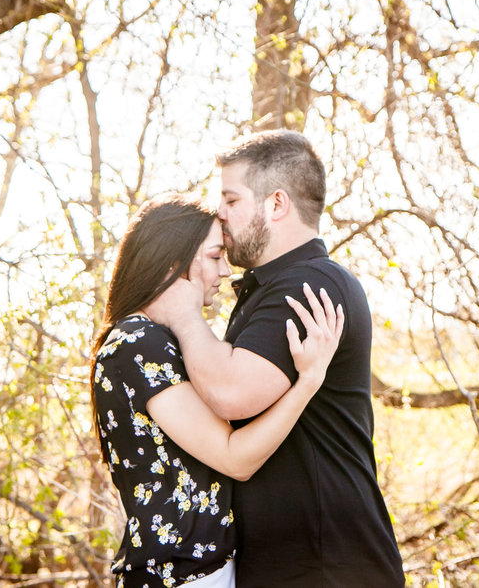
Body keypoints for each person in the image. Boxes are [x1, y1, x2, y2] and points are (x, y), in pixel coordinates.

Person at [146, 131, 405, 586]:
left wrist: (185, 317)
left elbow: (230, 393)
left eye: (230, 199)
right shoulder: (275, 288)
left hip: (326, 566)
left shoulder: (310, 285)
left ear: (277, 204)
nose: (219, 215)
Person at [91, 194, 345, 588]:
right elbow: (235, 458)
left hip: (199, 571)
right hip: (180, 576)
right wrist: (308, 381)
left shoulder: (162, 341)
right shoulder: (139, 343)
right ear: (173, 264)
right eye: (214, 257)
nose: (226, 271)